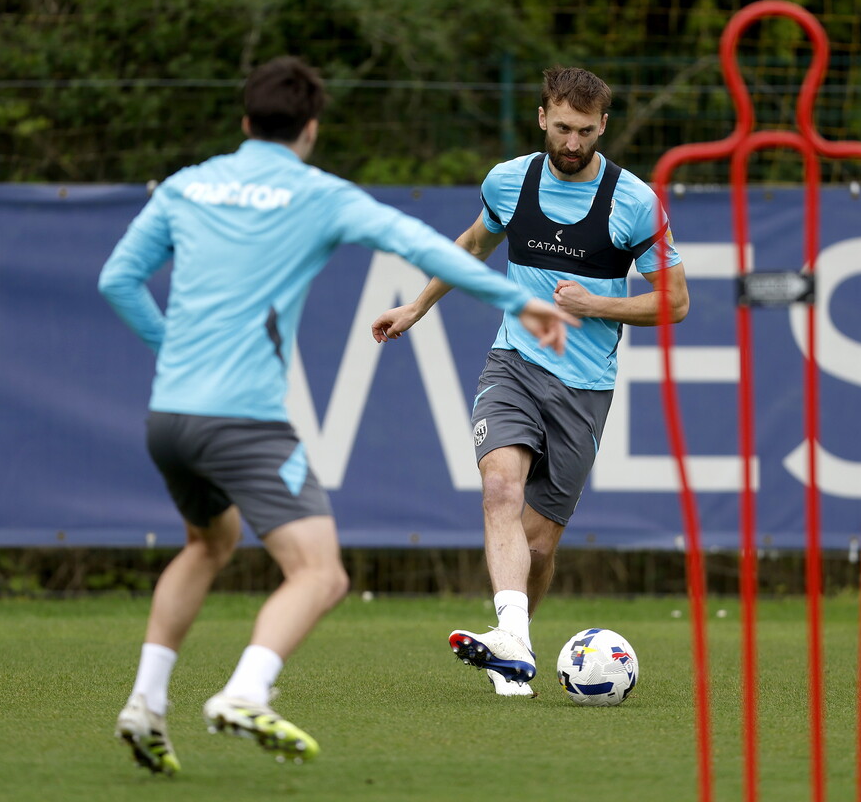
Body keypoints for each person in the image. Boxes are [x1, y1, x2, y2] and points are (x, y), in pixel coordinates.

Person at [98, 56, 575, 775]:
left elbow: (117, 279)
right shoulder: (319, 195)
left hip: (171, 416)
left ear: (244, 121)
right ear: (312, 129)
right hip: (243, 420)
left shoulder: (186, 186)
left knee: (207, 544)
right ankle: (246, 691)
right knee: (321, 576)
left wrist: (172, 349)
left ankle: (145, 701)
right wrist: (521, 301)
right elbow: (420, 244)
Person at [370, 66, 688, 696]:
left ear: (604, 126)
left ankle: (515, 644)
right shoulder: (508, 181)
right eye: (563, 127)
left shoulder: (635, 203)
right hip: (513, 363)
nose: (573, 143)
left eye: (586, 131)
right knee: (498, 490)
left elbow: (674, 303)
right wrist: (414, 307)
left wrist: (596, 305)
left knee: (539, 547)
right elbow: (473, 244)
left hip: (584, 388)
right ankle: (510, 639)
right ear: (543, 116)